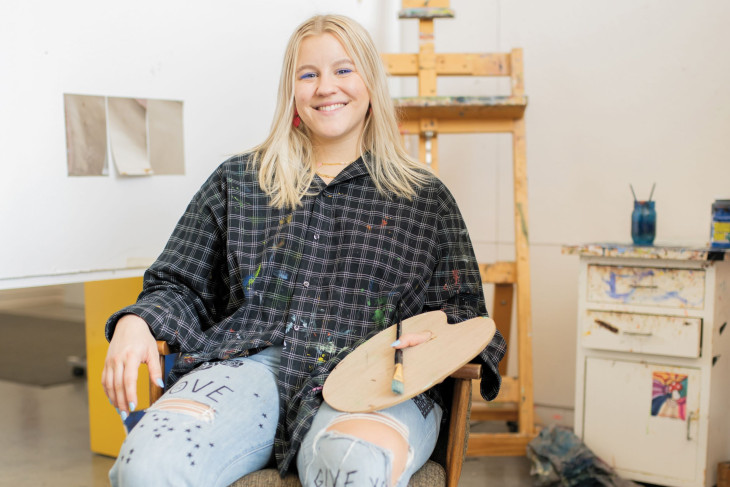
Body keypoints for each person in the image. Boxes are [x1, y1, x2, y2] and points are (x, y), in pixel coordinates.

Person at [102, 13, 506, 487]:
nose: (325, 87)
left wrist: (436, 337)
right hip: (248, 366)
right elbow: (178, 283)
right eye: (308, 74)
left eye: (343, 70)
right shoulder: (238, 182)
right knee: (147, 469)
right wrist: (137, 320)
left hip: (372, 373)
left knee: (353, 468)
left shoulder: (424, 198)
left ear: (371, 82)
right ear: (291, 91)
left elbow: (467, 315)